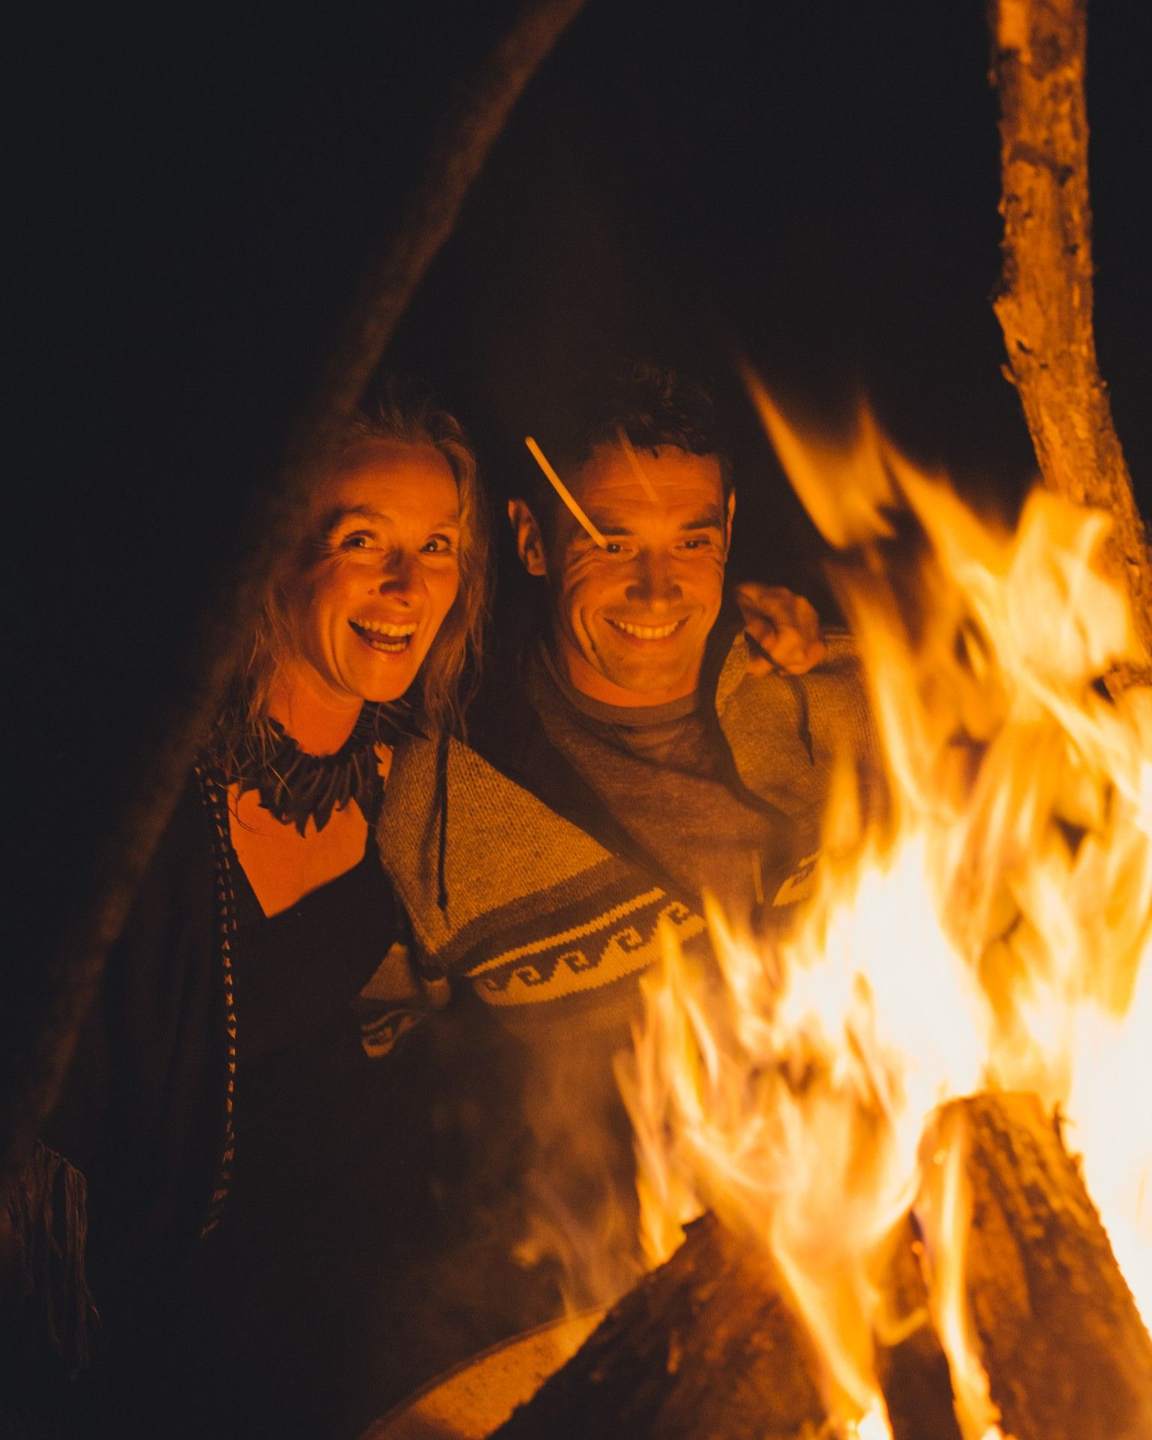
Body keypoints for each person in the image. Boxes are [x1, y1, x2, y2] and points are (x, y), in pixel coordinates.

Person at [1, 384, 488, 1439]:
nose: (409, 584)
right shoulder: (147, 801)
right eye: (362, 540)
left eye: (439, 545)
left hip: (337, 1282)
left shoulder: (404, 774)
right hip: (148, 1320)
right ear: (269, 550)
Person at [374, 362, 879, 1321]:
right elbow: (375, 1088)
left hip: (893, 1269)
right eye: (611, 543)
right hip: (620, 1308)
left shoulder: (850, 704)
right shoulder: (441, 807)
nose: (658, 587)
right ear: (533, 540)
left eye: (691, 540)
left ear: (729, 531)